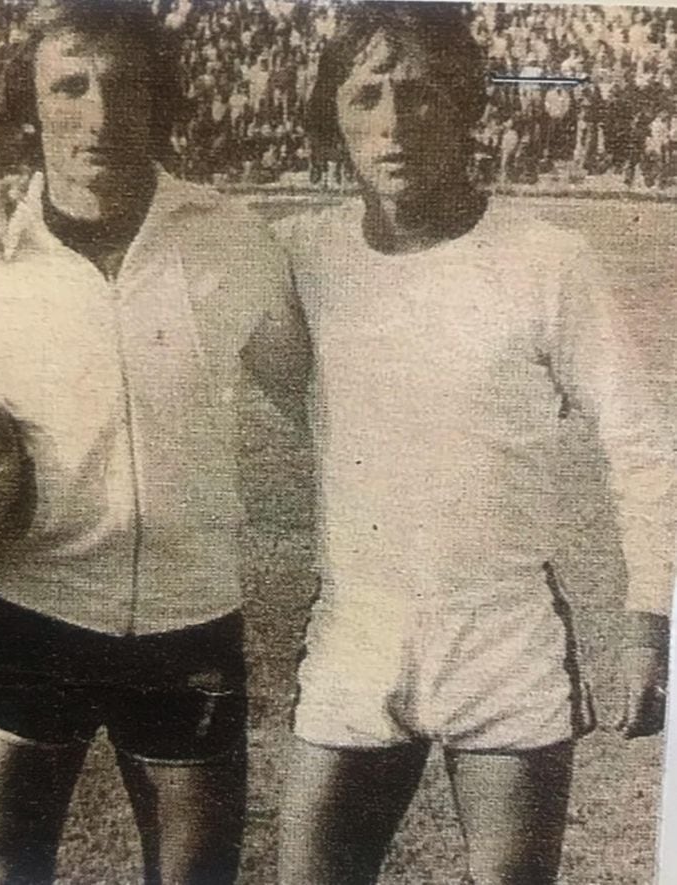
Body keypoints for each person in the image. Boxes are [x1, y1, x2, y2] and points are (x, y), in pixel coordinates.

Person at [0, 2, 309, 883]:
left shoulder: (234, 242)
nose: (98, 113)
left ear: (160, 99)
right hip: (32, 619)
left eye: (125, 86)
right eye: (70, 86)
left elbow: (322, 403)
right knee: (5, 873)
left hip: (189, 623)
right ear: (34, 104)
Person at [272, 4, 674, 884]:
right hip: (356, 626)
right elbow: (171, 256)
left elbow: (641, 442)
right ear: (335, 114)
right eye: (366, 96)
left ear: (466, 105)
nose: (392, 123)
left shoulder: (546, 260)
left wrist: (650, 623)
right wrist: (17, 199)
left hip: (502, 635)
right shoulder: (300, 253)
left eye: (419, 94)